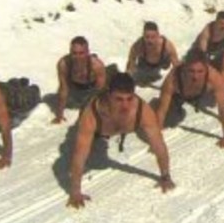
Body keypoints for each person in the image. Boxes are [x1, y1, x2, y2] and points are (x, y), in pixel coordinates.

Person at [66, 71, 174, 208]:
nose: (125, 106)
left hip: (111, 123)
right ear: (108, 95)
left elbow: (159, 146)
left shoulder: (142, 111)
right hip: (98, 118)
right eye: (118, 99)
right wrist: (75, 191)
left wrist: (165, 176)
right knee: (82, 139)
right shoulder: (91, 114)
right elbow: (79, 155)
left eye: (129, 99)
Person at [154, 49, 224, 148]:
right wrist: (157, 140)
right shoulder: (173, 79)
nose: (195, 76)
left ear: (206, 68)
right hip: (180, 94)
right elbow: (162, 111)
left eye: (200, 71)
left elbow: (223, 109)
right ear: (184, 68)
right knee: (170, 113)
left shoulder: (214, 77)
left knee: (213, 99)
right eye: (191, 71)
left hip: (202, 93)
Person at [53, 36, 108, 123]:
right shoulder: (64, 64)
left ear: (87, 52)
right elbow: (63, 88)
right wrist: (59, 115)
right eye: (74, 53)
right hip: (75, 87)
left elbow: (100, 91)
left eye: (81, 53)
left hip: (92, 88)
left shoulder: (96, 65)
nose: (77, 57)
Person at [126, 21, 180, 86]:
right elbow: (131, 62)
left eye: (153, 37)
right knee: (136, 76)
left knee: (167, 70)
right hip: (145, 64)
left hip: (163, 63)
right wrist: (127, 79)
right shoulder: (138, 45)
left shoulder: (167, 46)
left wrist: (178, 82)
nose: (150, 40)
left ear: (158, 35)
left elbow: (176, 65)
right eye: (147, 37)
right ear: (143, 35)